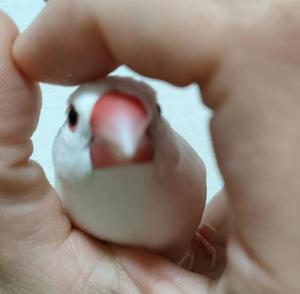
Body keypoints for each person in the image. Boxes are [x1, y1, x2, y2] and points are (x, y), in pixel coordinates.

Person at [0, 0, 299, 292]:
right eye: (76, 118)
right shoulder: (67, 205)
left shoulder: (190, 171)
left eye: (151, 116)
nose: (123, 141)